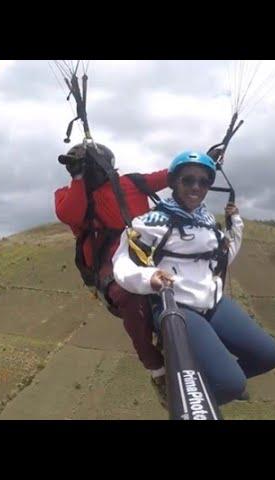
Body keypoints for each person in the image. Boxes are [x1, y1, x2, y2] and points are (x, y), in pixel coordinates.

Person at [112, 150, 275, 406]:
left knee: (270, 356)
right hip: (178, 308)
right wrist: (149, 278)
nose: (196, 187)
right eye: (188, 180)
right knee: (230, 385)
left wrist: (235, 224)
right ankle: (190, 393)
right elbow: (121, 262)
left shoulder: (207, 223)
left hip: (213, 303)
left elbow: (221, 259)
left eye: (203, 182)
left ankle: (209, 380)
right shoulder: (151, 222)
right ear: (173, 183)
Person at [54, 142, 169, 401]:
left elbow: (171, 175)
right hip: (109, 261)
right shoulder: (69, 194)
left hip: (147, 250)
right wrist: (79, 177)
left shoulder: (132, 183)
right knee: (129, 294)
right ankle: (156, 368)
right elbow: (70, 213)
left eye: (84, 165)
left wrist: (205, 161)